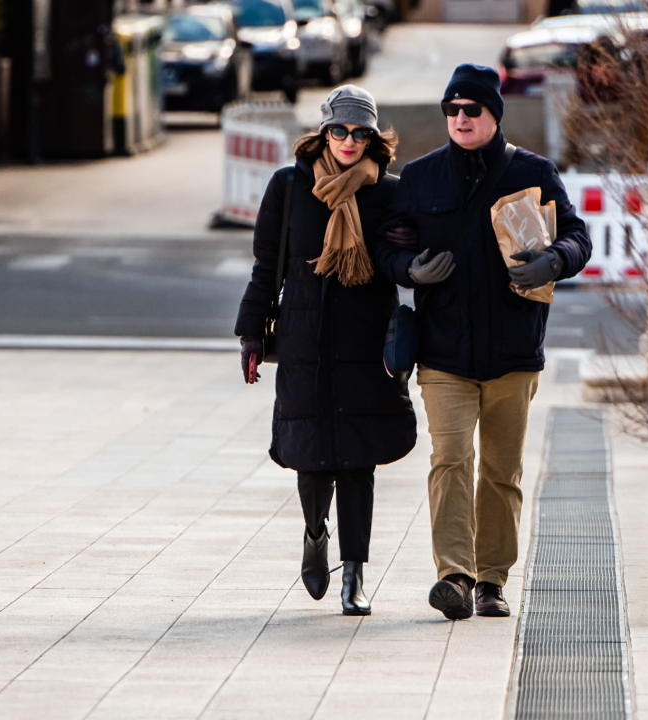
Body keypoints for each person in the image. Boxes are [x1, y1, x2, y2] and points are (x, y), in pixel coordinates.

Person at [375, 64, 591, 620]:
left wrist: (554, 259)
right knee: (450, 458)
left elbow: (578, 237)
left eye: (472, 109)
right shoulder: (420, 179)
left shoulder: (534, 172)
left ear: (494, 114)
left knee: (500, 470)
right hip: (444, 353)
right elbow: (388, 248)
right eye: (452, 110)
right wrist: (410, 271)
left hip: (514, 352)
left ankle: (492, 579)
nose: (461, 118)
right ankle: (454, 575)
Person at [235, 86, 416, 616]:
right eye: (340, 131)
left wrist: (408, 252)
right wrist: (251, 333)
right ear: (324, 132)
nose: (349, 142)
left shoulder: (389, 193)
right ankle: (316, 534)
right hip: (305, 341)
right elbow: (267, 265)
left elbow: (402, 263)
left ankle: (354, 573)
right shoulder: (289, 187)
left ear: (373, 138)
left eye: (361, 133)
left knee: (359, 461)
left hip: (366, 342)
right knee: (311, 458)